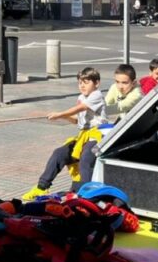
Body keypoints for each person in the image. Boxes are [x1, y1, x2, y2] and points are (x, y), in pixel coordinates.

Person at [22, 67, 108, 199]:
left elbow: (81, 108)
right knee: (59, 153)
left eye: (86, 82)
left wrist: (61, 113)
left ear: (96, 83)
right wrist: (61, 117)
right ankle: (41, 187)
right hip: (83, 136)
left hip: (96, 135)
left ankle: (87, 194)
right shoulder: (81, 97)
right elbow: (77, 120)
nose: (82, 85)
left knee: (85, 158)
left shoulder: (96, 95)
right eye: (80, 82)